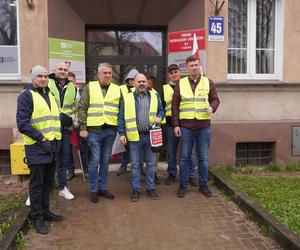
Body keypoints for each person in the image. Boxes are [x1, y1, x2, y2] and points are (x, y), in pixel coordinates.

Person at [16, 65, 63, 234]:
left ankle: (45, 211)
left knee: (48, 183)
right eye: (39, 76)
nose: (43, 79)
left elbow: (53, 119)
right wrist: (41, 138)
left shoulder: (49, 94)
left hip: (52, 146)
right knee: (36, 185)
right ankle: (37, 218)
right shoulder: (26, 96)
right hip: (37, 147)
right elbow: (22, 123)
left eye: (45, 76)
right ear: (33, 78)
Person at [172, 56, 220, 198]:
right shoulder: (181, 84)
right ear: (186, 67)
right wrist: (176, 125)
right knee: (185, 157)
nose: (194, 67)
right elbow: (175, 105)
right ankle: (183, 185)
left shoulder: (208, 82)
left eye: (196, 65)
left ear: (199, 66)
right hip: (186, 126)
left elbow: (215, 99)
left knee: (203, 158)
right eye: (191, 65)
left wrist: (212, 107)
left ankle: (203, 185)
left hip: (203, 126)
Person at [78, 63, 121, 203]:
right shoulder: (90, 87)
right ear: (98, 74)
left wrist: (120, 129)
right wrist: (83, 127)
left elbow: (120, 110)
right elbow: (82, 108)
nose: (107, 75)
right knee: (94, 161)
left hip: (110, 131)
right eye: (105, 73)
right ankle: (93, 189)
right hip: (94, 131)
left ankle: (102, 187)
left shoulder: (117, 89)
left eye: (109, 73)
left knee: (104, 161)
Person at [118, 73, 165, 202]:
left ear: (147, 82)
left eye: (144, 81)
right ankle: (136, 190)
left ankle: (150, 188)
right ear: (134, 83)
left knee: (150, 164)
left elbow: (162, 110)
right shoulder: (127, 98)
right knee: (135, 165)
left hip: (150, 136)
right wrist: (122, 133)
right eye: (139, 81)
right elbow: (121, 117)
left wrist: (160, 116)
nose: (142, 84)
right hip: (134, 137)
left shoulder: (154, 96)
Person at [162, 64, 197, 186]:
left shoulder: (187, 86)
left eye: (176, 72)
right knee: (171, 152)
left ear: (180, 72)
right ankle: (172, 174)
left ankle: (191, 176)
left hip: (186, 124)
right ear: (169, 75)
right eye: (171, 73)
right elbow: (160, 107)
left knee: (189, 152)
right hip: (171, 125)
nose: (174, 74)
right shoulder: (164, 89)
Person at [48, 62, 76, 200]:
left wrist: (73, 124)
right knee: (47, 160)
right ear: (55, 70)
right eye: (60, 69)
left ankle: (62, 188)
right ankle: (43, 189)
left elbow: (76, 108)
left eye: (65, 69)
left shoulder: (73, 88)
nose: (62, 71)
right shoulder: (47, 83)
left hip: (65, 130)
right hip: (49, 130)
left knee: (63, 160)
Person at [116, 68, 139, 176]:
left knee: (138, 148)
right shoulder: (120, 89)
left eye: (135, 79)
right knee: (124, 147)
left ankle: (140, 167)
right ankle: (123, 166)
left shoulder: (140, 88)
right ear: (128, 79)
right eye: (131, 79)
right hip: (124, 121)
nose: (133, 81)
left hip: (136, 123)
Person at [66, 72, 88, 181]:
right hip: (68, 125)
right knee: (68, 149)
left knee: (83, 148)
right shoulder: (64, 93)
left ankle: (86, 170)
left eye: (71, 81)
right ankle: (70, 170)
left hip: (79, 124)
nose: (70, 83)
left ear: (75, 81)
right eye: (68, 81)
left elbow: (83, 108)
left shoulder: (81, 92)